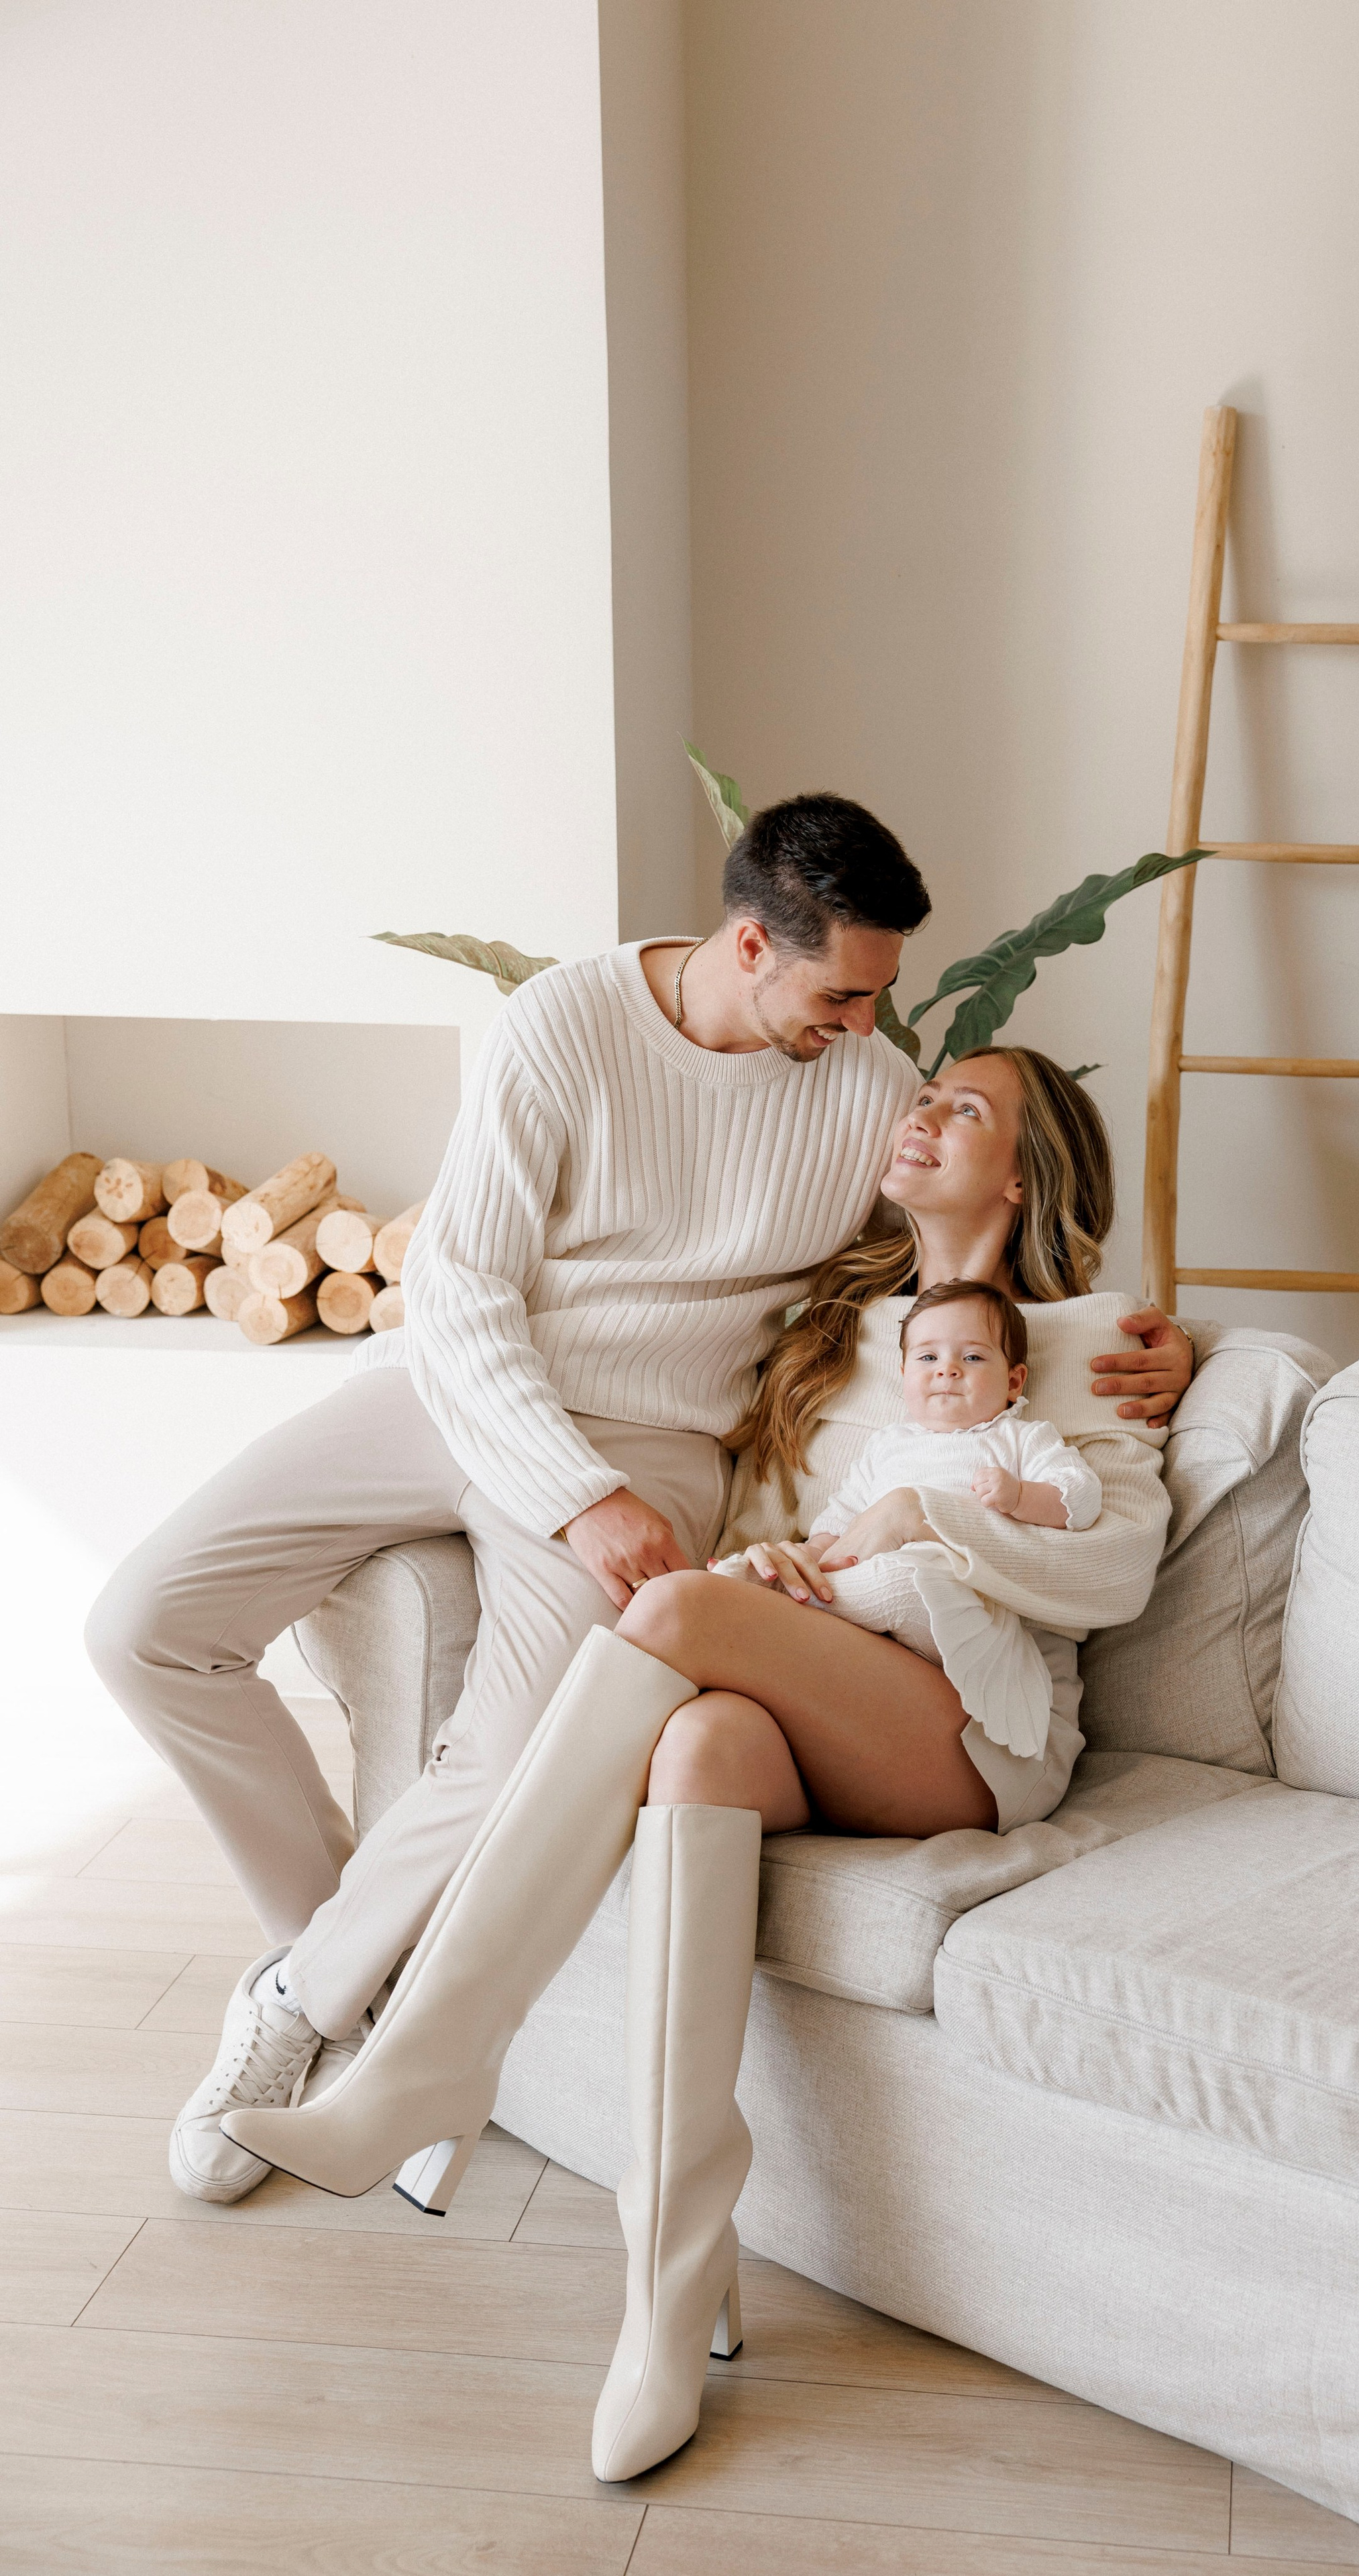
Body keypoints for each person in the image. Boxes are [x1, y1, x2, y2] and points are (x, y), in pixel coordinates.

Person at [85, 798, 1194, 2213]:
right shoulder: (562, 1027)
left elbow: (986, 1257)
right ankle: (335, 1965)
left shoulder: (858, 1088)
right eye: (845, 992)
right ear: (750, 943)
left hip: (660, 1437)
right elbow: (458, 1288)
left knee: (504, 1747)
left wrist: (1155, 1336)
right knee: (142, 1628)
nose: (871, 1030)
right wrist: (571, 1494)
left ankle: (295, 2013)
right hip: (473, 1391)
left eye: (883, 1000)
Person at [221, 1044, 1178, 2487]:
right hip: (811, 1690)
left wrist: (921, 1517)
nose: (916, 1113)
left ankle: (426, 2058)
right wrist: (776, 1569)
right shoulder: (819, 1334)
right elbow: (759, 1529)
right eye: (920, 1093)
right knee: (696, 1738)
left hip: (973, 1731)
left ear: (1026, 1172)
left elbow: (1109, 1565)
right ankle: (668, 2308)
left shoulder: (1096, 1340)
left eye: (960, 1108)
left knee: (664, 1613)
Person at [724, 1275, 1105, 1770]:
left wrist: (1020, 1496)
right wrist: (809, 1557)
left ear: (1014, 1381)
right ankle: (787, 1597)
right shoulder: (887, 1446)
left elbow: (1080, 1496)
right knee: (794, 1568)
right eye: (928, 1358)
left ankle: (781, 1610)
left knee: (904, 1579)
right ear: (903, 1372)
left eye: (972, 1357)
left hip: (969, 1609)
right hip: (880, 1627)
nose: (947, 1370)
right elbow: (841, 1518)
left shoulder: (1021, 1439)